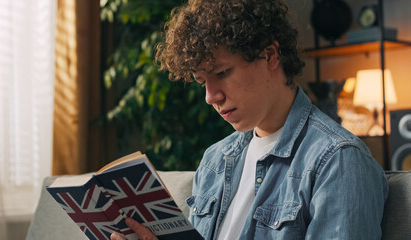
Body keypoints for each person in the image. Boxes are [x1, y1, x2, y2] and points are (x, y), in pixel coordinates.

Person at [111, 0, 389, 239]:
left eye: (221, 73)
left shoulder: (337, 161)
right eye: (201, 81)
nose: (210, 96)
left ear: (269, 55)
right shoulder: (214, 161)